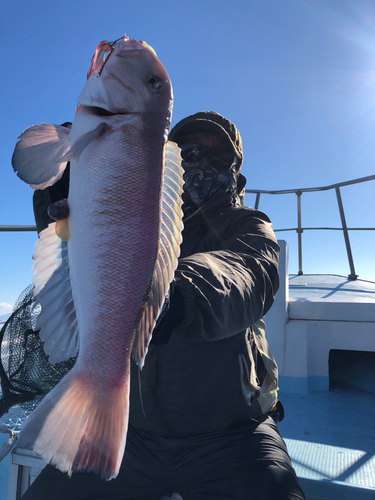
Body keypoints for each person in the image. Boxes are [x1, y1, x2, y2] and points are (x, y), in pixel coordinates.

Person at [22, 111, 305, 500]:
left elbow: (246, 275)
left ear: (234, 173)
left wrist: (167, 294)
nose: (198, 160)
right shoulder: (137, 212)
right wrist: (66, 191)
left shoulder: (248, 225)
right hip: (129, 430)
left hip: (234, 432)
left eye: (215, 154)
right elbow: (80, 266)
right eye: (187, 150)